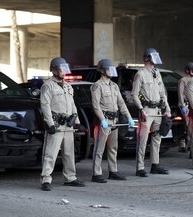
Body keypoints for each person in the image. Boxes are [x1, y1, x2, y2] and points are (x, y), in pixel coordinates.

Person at [38, 57, 85, 191]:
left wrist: (77, 122)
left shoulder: (68, 86)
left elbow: (73, 105)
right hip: (56, 125)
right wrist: (50, 124)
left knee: (69, 153)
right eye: (61, 69)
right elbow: (45, 106)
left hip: (68, 125)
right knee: (50, 153)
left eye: (65, 69)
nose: (64, 72)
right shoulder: (47, 86)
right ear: (53, 70)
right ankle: (46, 179)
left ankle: (70, 178)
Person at [90, 59, 134, 183]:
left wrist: (129, 117)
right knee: (99, 149)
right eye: (109, 69)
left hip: (114, 120)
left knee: (113, 148)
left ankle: (113, 171)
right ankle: (96, 173)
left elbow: (121, 103)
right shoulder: (97, 86)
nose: (112, 71)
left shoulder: (114, 86)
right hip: (104, 120)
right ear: (103, 71)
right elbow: (96, 105)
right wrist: (102, 119)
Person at [131, 47, 171, 176]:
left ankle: (155, 164)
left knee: (157, 137)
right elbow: (134, 94)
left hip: (158, 110)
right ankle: (140, 168)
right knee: (143, 139)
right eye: (153, 56)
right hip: (147, 110)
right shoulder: (140, 74)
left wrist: (167, 108)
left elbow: (162, 92)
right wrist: (141, 109)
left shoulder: (157, 73)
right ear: (147, 58)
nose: (155, 59)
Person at [177, 61, 193, 153]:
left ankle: (190, 146)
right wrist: (182, 106)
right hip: (186, 105)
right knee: (188, 126)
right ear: (188, 70)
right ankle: (186, 145)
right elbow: (180, 94)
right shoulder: (183, 80)